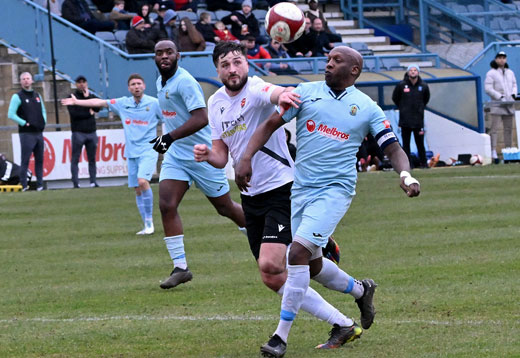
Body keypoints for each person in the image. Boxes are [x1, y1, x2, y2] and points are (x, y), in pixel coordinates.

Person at [235, 46, 421, 357]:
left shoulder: (366, 108)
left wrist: (406, 176)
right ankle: (362, 290)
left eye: (337, 61)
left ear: (354, 71)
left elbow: (393, 148)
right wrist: (246, 156)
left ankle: (280, 337)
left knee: (295, 253)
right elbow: (268, 125)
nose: (329, 64)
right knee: (313, 263)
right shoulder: (305, 93)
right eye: (328, 59)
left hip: (335, 190)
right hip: (301, 190)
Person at [194, 41, 350, 348]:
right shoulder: (215, 103)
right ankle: (343, 320)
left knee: (270, 264)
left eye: (237, 62)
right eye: (225, 65)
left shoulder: (255, 89)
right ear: (217, 70)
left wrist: (286, 94)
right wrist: (206, 155)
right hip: (252, 198)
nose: (232, 69)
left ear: (247, 64)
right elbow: (221, 155)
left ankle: (284, 336)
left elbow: (274, 93)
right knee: (273, 276)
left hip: (282, 189)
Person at [151, 40, 247, 289]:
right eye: (159, 53)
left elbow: (201, 118)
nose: (164, 56)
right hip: (177, 156)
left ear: (178, 56)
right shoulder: (160, 82)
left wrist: (169, 137)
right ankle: (180, 267)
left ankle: (266, 237)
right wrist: (170, 141)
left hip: (200, 154)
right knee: (166, 204)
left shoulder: (185, 82)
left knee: (225, 208)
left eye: (168, 52)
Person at [62, 73, 162, 235]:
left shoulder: (154, 103)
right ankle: (146, 225)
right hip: (131, 152)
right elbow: (98, 102)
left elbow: (169, 120)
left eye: (139, 83)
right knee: (137, 188)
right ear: (129, 88)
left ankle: (150, 222)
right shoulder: (123, 103)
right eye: (133, 84)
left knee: (143, 182)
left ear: (144, 86)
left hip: (148, 150)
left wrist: (168, 142)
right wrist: (76, 102)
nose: (136, 86)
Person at [7, 72, 47, 192]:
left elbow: (43, 111)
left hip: (38, 133)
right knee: (25, 160)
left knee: (40, 160)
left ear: (32, 80)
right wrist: (24, 123)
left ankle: (40, 185)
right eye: (23, 79)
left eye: (28, 78)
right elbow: (11, 114)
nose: (26, 81)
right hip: (26, 134)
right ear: (20, 82)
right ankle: (24, 185)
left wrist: (43, 122)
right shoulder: (17, 96)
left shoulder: (37, 95)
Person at [392, 64, 430, 168]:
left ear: (418, 72)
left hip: (418, 120)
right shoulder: (401, 85)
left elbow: (426, 99)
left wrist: (419, 109)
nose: (413, 72)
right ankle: (408, 164)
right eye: (411, 70)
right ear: (408, 72)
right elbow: (395, 98)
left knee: (420, 144)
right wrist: (404, 108)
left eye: (415, 70)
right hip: (405, 120)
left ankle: (424, 163)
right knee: (406, 144)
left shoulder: (424, 86)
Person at [66, 75, 100, 188]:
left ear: (87, 83)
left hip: (91, 132)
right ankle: (76, 183)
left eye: (83, 82)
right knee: (75, 158)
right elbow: (75, 114)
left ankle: (93, 181)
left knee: (92, 159)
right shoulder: (72, 97)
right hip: (78, 132)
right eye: (79, 82)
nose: (81, 84)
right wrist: (88, 112)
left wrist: (87, 98)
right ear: (76, 84)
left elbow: (97, 107)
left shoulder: (90, 96)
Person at [484, 51, 517, 164]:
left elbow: (514, 84)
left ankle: (509, 151)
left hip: (508, 104)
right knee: (495, 129)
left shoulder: (510, 72)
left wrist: (513, 94)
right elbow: (488, 88)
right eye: (499, 58)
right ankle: (493, 151)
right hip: (497, 105)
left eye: (503, 58)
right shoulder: (491, 73)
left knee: (508, 129)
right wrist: (499, 96)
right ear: (496, 59)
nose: (502, 60)